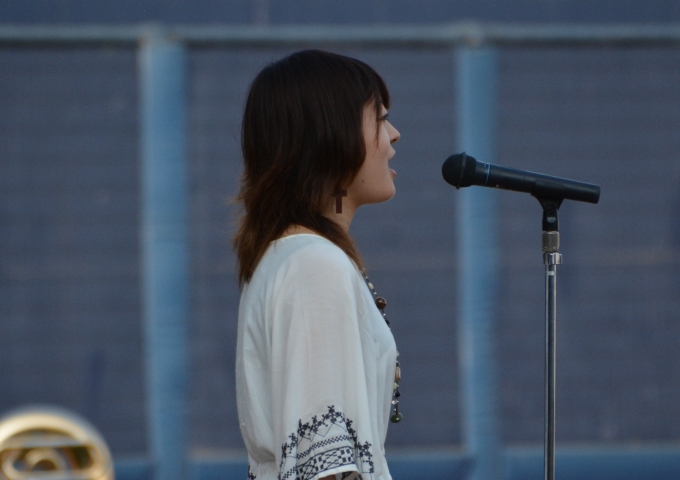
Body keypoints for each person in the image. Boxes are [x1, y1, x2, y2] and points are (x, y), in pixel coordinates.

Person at [234, 49, 401, 480]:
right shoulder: (314, 266)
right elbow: (323, 469)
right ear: (333, 136)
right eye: (380, 119)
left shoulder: (292, 256)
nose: (394, 135)